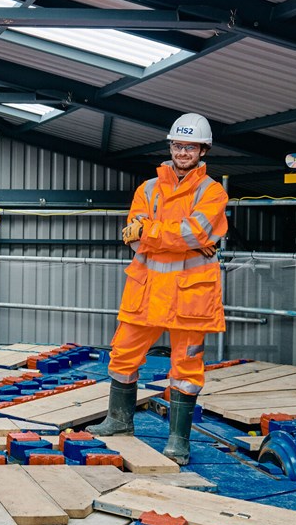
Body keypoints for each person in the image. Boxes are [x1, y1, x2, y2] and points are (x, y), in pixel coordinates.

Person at [89, 113, 228, 465]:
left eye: (190, 146)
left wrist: (153, 232)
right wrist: (175, 237)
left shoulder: (211, 191)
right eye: (178, 145)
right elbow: (136, 240)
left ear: (202, 150)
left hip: (190, 297)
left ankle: (178, 441)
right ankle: (119, 422)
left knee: (187, 367)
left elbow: (191, 234)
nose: (183, 152)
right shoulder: (147, 189)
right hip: (146, 291)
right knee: (122, 355)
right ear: (170, 147)